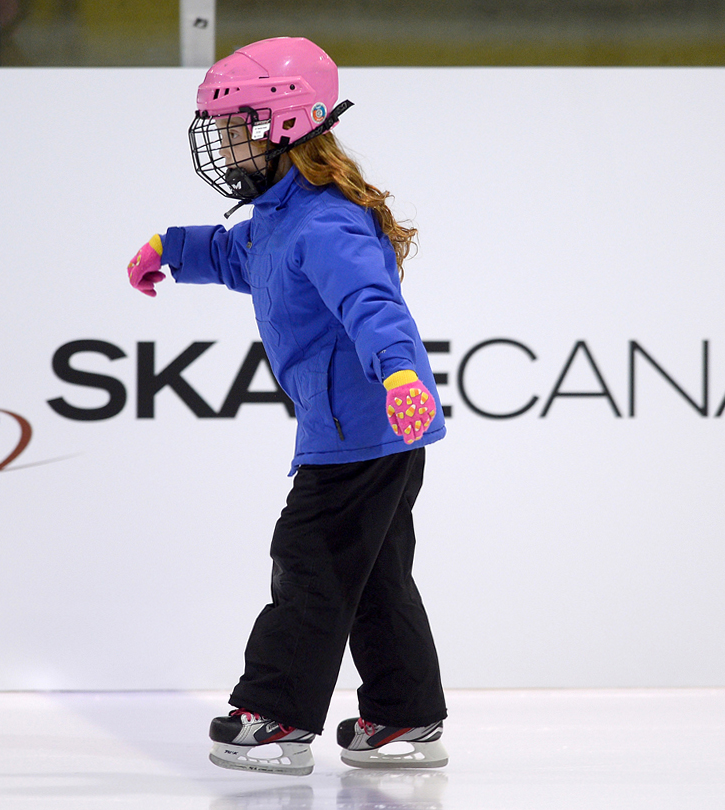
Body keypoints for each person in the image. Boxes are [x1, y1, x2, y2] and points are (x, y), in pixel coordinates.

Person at [125, 36, 448, 777]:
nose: (224, 146)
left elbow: (374, 306)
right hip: (367, 434)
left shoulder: (325, 223)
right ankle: (404, 718)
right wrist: (172, 247)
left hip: (362, 432)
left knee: (309, 567)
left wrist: (400, 375)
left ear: (283, 124)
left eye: (234, 127)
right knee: (372, 575)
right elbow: (245, 258)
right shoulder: (283, 216)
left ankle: (275, 717)